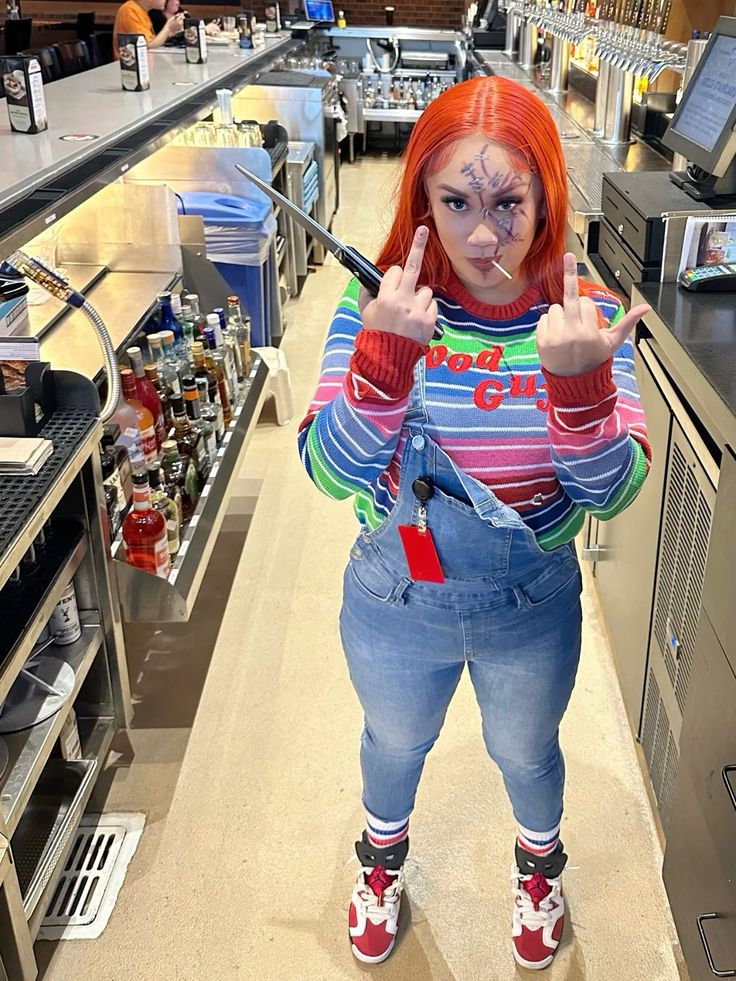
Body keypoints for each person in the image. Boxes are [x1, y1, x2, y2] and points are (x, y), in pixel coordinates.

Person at [298, 74, 652, 971]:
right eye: (456, 202)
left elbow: (611, 497)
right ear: (422, 200)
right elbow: (330, 471)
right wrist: (383, 361)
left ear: (547, 199)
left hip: (529, 606)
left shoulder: (587, 321)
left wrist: (579, 389)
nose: (484, 233)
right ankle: (381, 861)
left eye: (509, 202)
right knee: (395, 740)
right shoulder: (373, 308)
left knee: (526, 750)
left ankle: (541, 866)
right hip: (395, 596)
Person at [112, 0, 184, 59]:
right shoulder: (130, 10)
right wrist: (168, 28)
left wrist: (170, 32)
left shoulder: (142, 11)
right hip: (129, 68)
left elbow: (152, 40)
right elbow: (147, 45)